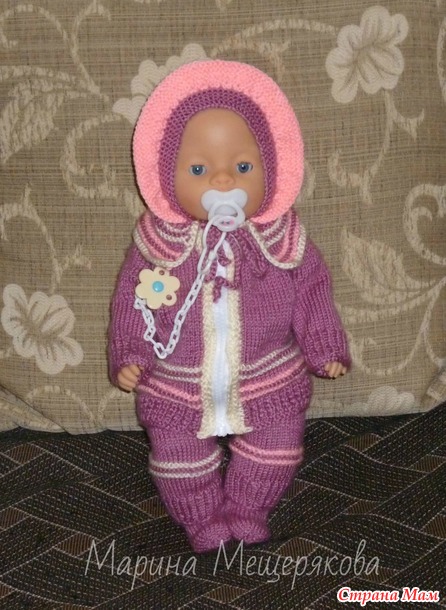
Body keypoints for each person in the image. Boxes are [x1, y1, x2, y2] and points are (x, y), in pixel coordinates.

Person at [109, 60, 350, 552]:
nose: (222, 180)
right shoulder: (158, 246)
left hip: (268, 375)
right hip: (176, 384)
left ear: (272, 170)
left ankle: (248, 506)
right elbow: (133, 303)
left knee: (278, 445)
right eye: (199, 170)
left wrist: (324, 345)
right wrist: (130, 353)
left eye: (242, 167)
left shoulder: (282, 240)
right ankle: (200, 517)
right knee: (177, 456)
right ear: (166, 177)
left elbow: (312, 291)